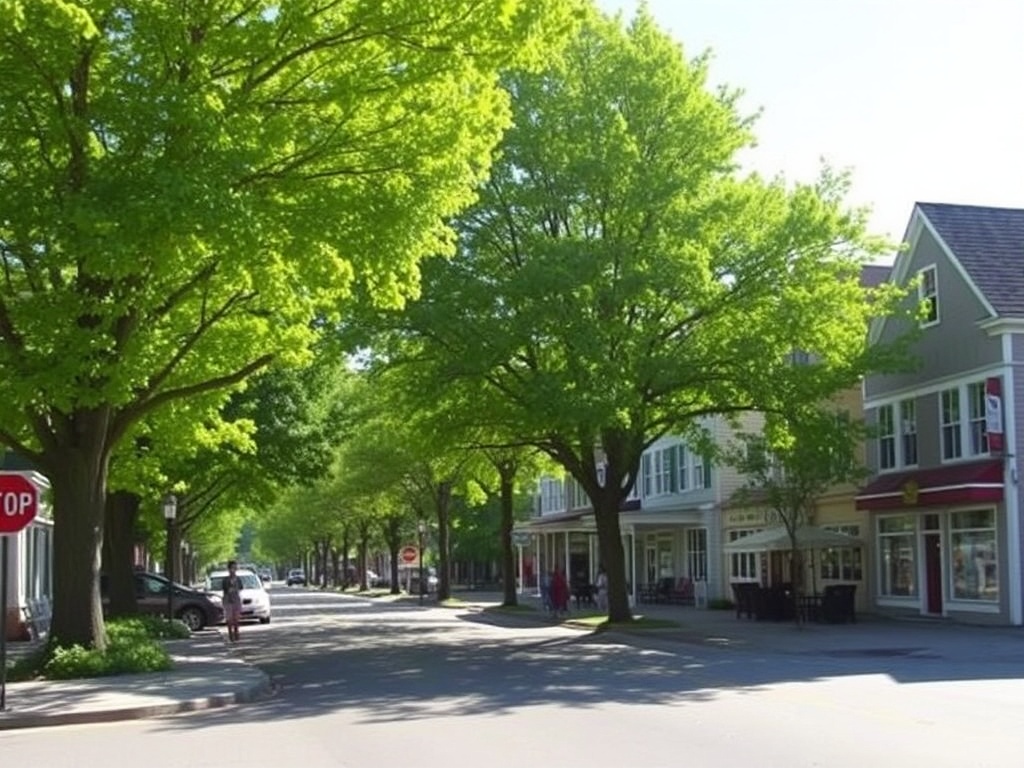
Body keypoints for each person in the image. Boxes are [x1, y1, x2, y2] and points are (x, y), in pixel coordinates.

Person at [222, 560, 244, 642]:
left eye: (235, 568)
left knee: (236, 618)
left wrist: (235, 588)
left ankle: (236, 633)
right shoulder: (225, 580)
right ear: (229, 569)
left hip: (236, 600)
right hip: (228, 600)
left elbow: (241, 587)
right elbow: (225, 589)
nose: (234, 570)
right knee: (229, 618)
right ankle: (230, 634)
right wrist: (230, 587)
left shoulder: (238, 579)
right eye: (232, 568)